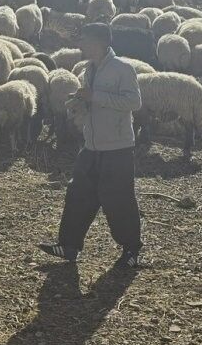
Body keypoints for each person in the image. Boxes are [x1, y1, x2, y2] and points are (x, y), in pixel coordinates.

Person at [38, 23, 144, 268]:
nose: (81, 44)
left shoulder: (123, 69)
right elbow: (93, 100)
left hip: (117, 147)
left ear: (99, 42)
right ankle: (69, 246)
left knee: (119, 199)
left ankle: (132, 249)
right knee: (78, 195)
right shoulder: (89, 69)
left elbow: (134, 102)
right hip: (92, 145)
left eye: (84, 39)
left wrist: (94, 97)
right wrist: (79, 104)